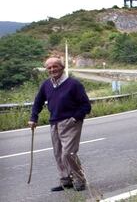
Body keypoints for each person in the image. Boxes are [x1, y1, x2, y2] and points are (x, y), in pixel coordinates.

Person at [28, 56, 91, 192]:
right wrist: (33, 118)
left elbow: (86, 105)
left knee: (68, 153)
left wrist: (75, 118)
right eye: (49, 67)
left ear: (62, 67)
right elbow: (38, 102)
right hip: (54, 122)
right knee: (58, 153)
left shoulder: (74, 84)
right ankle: (66, 180)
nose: (52, 69)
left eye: (55, 66)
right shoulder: (46, 85)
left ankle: (80, 179)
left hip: (71, 122)